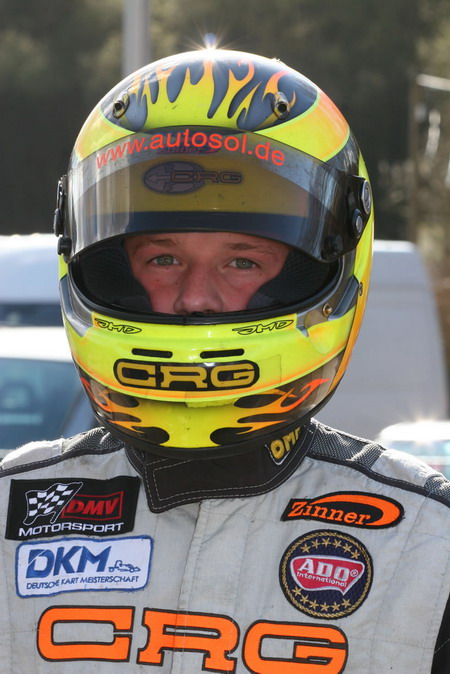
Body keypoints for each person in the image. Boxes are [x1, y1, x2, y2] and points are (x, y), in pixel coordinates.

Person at [1, 48, 450, 674]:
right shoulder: (10, 512)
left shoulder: (428, 545)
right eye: (163, 259)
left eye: (242, 261)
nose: (196, 297)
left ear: (319, 267)